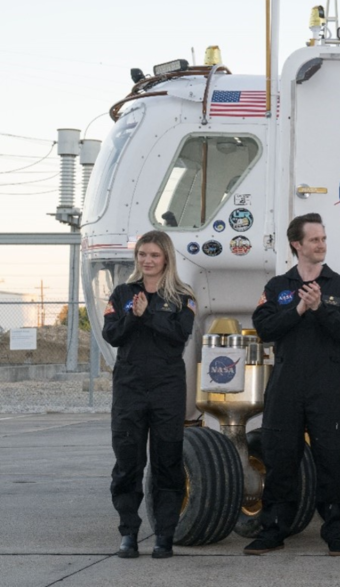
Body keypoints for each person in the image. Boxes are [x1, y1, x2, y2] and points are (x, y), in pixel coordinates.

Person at [243, 213, 340, 557]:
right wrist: (298, 309)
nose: (321, 245)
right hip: (286, 382)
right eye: (315, 240)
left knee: (333, 459)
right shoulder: (278, 287)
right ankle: (273, 529)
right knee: (280, 458)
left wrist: (320, 307)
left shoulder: (339, 284)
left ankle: (335, 531)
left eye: (323, 239)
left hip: (326, 384)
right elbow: (264, 328)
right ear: (297, 245)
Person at [103, 230, 196, 559]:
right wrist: (133, 316)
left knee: (167, 463)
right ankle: (128, 532)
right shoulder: (122, 293)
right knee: (128, 463)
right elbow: (111, 334)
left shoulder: (183, 297)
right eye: (142, 254)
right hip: (130, 389)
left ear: (166, 258)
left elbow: (178, 335)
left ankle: (164, 535)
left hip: (167, 389)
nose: (147, 260)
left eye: (154, 255)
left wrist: (149, 315)